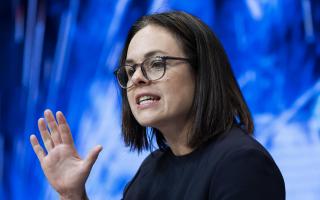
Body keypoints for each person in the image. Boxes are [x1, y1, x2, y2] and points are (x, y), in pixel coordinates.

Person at [30, 11, 285, 200]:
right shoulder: (151, 170)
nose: (137, 78)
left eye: (156, 64)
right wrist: (73, 194)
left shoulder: (242, 165)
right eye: (130, 70)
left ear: (202, 72)